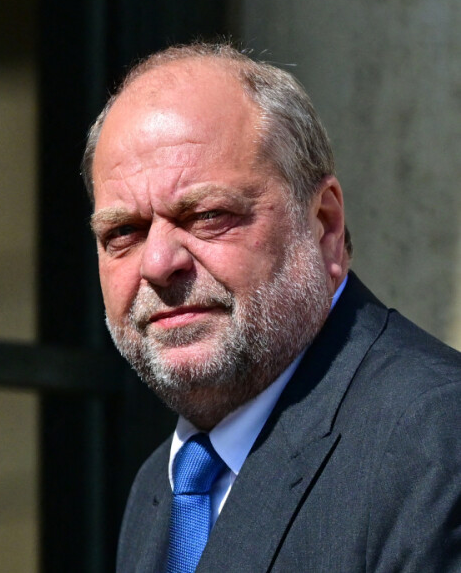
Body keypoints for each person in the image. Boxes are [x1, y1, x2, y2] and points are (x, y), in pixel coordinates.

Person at [82, 42, 461, 572]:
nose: (158, 263)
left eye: (209, 215)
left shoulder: (437, 441)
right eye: (123, 232)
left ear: (324, 224)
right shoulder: (161, 487)